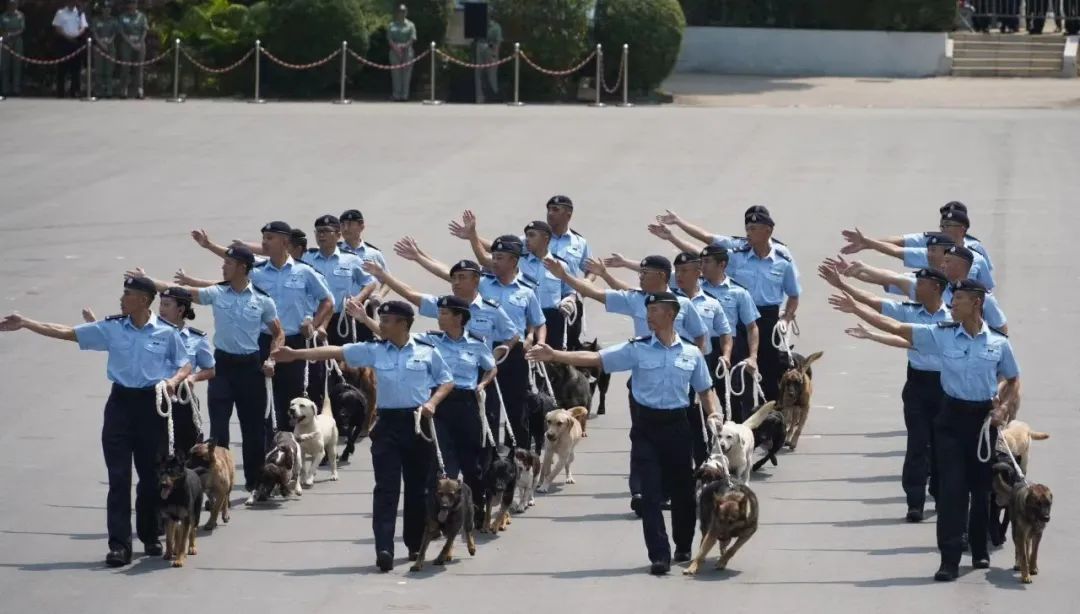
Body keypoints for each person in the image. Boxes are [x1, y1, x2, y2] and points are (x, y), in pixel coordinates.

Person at [829, 279, 1020, 582]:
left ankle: (980, 546)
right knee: (952, 491)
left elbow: (1012, 378)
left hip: (983, 423)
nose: (952, 304)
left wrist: (1004, 408)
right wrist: (858, 308)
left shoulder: (998, 342)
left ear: (976, 303)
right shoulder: (942, 335)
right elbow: (897, 328)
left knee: (981, 490)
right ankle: (949, 558)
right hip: (951, 420)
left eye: (958, 299)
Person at [0, 277, 191, 567]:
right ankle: (119, 546)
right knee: (118, 479)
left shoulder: (167, 332)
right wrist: (27, 322)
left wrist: (174, 380)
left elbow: (184, 362)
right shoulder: (112, 327)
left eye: (127, 294)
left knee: (151, 479)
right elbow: (68, 332)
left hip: (152, 407)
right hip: (120, 407)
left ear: (143, 300)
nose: (121, 299)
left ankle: (150, 534)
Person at [526, 292, 718, 575]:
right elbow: (596, 358)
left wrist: (713, 413)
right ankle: (659, 555)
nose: (648, 315)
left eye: (653, 310)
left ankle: (683, 545)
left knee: (683, 493)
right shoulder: (637, 349)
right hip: (647, 428)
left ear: (671, 314)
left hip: (678, 426)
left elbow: (705, 389)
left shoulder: (691, 353)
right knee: (649, 495)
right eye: (647, 309)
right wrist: (555, 355)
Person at [272, 300, 454, 572]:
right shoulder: (374, 351)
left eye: (387, 320)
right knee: (386, 489)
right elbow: (336, 350)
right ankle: (384, 548)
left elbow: (446, 380)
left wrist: (433, 403)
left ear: (403, 323)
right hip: (388, 425)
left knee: (418, 489)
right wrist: (297, 354)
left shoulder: (428, 351)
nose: (381, 324)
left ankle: (415, 542)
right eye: (381, 320)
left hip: (419, 424)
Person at [124, 246, 283, 497]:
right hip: (223, 368)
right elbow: (185, 293)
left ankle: (254, 483)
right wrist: (147, 281)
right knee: (218, 430)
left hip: (251, 368)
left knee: (253, 429)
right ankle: (217, 487)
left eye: (228, 263)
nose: (223, 266)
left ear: (242, 267)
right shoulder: (217, 293)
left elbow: (278, 333)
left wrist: (272, 359)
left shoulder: (263, 300)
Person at [351, 294, 496, 525]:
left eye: (445, 314)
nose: (439, 317)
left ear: (459, 318)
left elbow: (491, 368)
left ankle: (476, 510)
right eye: (439, 313)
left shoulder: (477, 344)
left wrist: (483, 383)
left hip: (467, 404)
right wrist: (364, 319)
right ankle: (440, 517)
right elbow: (392, 335)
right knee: (441, 464)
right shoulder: (431, 340)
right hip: (437, 405)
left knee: (472, 464)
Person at [820, 265, 950, 522]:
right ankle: (915, 502)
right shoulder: (910, 311)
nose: (916, 288)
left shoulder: (952, 319)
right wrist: (843, 286)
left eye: (921, 284)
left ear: (936, 288)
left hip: (947, 386)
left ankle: (940, 491)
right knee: (917, 443)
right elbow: (878, 305)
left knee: (941, 446)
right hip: (918, 384)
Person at [393, 234, 542, 447]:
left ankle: (518, 458)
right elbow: (447, 272)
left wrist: (523, 341)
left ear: (514, 262)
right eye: (494, 257)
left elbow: (526, 326)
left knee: (516, 410)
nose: (494, 261)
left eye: (500, 257)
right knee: (485, 411)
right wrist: (419, 257)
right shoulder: (480, 283)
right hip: (476, 356)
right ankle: (486, 453)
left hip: (508, 355)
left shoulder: (526, 289)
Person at [83, 286, 216, 455]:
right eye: (161, 304)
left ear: (181, 310)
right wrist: (96, 327)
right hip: (155, 400)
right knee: (156, 454)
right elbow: (124, 347)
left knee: (185, 453)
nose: (161, 309)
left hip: (181, 402)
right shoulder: (151, 331)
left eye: (167, 305)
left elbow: (210, 370)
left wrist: (193, 378)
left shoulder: (196, 338)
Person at [449, 194, 593, 349]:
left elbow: (584, 274)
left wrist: (579, 291)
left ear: (568, 214)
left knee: (562, 356)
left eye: (555, 210)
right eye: (549, 210)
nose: (550, 213)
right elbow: (497, 249)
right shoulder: (521, 256)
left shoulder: (577, 245)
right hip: (525, 314)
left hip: (555, 315)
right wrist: (473, 236)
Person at [840, 226, 993, 290]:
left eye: (934, 251)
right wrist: (859, 272)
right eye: (928, 250)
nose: (929, 254)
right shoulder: (928, 286)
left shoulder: (975, 293)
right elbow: (892, 278)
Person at [303, 215, 374, 346]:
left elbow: (370, 282)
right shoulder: (306, 259)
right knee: (315, 360)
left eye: (326, 231)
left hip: (341, 319)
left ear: (338, 235)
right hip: (314, 317)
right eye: (318, 231)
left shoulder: (351, 259)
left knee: (344, 360)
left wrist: (358, 299)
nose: (321, 235)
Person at [52, 1, 88, 98]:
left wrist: (77, 35)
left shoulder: (80, 13)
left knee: (75, 69)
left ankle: (74, 92)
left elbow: (83, 27)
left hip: (76, 42)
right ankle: (60, 93)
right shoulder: (60, 13)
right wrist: (68, 37)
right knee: (62, 69)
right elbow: (57, 28)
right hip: (64, 42)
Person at [116, 0, 146, 99]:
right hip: (127, 44)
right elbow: (122, 32)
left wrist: (139, 42)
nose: (133, 5)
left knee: (139, 68)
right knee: (126, 67)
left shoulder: (141, 16)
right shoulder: (123, 17)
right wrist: (131, 43)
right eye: (131, 3)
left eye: (134, 3)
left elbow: (144, 30)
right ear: (128, 5)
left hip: (139, 44)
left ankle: (139, 90)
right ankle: (123, 90)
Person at [387, 4, 416, 102]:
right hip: (395, 51)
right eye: (400, 11)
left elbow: (412, 38)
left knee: (406, 74)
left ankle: (404, 95)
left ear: (406, 12)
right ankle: (396, 95)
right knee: (396, 74)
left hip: (407, 51)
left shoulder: (411, 25)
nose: (402, 13)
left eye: (404, 11)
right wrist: (396, 48)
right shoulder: (392, 25)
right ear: (397, 13)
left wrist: (404, 46)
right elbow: (389, 39)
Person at [90, 1, 118, 98]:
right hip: (99, 47)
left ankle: (109, 91)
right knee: (99, 70)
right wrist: (101, 44)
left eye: (108, 8)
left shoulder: (114, 20)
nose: (106, 10)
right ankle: (99, 91)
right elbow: (94, 33)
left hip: (110, 46)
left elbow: (115, 33)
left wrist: (109, 41)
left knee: (109, 70)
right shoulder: (96, 20)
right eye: (104, 8)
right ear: (101, 10)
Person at [474, 13, 501, 103]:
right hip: (481, 48)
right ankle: (480, 97)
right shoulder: (479, 26)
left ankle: (493, 96)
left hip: (490, 48)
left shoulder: (496, 27)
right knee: (479, 74)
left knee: (492, 74)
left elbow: (497, 42)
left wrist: (494, 55)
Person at [0, 0, 24, 97]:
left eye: (14, 4)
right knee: (5, 65)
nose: (13, 6)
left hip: (17, 40)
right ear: (8, 5)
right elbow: (1, 28)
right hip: (5, 41)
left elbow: (22, 28)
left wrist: (12, 34)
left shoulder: (20, 15)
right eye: (11, 4)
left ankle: (16, 89)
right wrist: (5, 35)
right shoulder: (3, 16)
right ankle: (4, 89)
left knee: (17, 65)